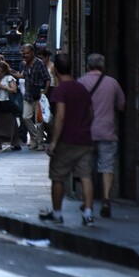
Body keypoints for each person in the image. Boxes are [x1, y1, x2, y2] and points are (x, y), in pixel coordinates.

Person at [40, 53, 95, 227]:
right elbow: (91, 113)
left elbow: (60, 116)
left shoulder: (60, 90)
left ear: (55, 70)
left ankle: (57, 214)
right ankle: (88, 214)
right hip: (84, 139)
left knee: (58, 177)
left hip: (66, 140)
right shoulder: (82, 88)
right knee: (85, 176)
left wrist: (54, 142)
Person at [78, 53, 125, 218]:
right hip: (107, 131)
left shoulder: (81, 82)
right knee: (107, 167)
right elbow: (121, 105)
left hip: (86, 133)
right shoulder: (113, 83)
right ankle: (106, 199)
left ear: (88, 66)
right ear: (102, 66)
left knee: (86, 169)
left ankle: (87, 201)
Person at [10, 43, 50, 151]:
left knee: (39, 121)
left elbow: (47, 78)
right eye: (24, 53)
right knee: (25, 117)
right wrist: (10, 72)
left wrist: (44, 93)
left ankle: (39, 143)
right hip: (28, 96)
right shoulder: (24, 64)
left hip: (38, 96)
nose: (26, 55)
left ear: (32, 52)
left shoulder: (39, 63)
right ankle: (36, 137)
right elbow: (22, 75)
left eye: (27, 53)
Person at [0, 61, 22, 151]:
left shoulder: (9, 78)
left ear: (4, 71)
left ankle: (14, 142)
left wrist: (4, 87)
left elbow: (14, 90)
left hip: (6, 103)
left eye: (0, 72)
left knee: (10, 123)